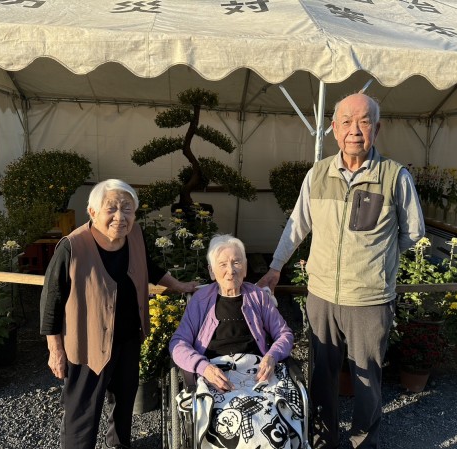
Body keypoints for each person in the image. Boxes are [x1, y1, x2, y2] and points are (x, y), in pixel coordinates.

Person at [258, 93, 425, 449]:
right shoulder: (318, 174)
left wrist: (378, 259)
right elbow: (297, 225)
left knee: (367, 381)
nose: (355, 130)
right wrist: (275, 267)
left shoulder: (394, 177)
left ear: (377, 128)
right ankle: (324, 441)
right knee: (321, 376)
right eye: (346, 122)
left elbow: (413, 232)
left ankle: (364, 442)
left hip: (370, 300)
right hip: (321, 296)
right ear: (333, 129)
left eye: (364, 122)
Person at [39, 179, 198, 449]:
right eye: (111, 208)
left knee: (125, 400)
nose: (120, 217)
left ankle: (118, 445)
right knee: (82, 410)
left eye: (127, 209)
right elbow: (51, 300)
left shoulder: (135, 235)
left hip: (128, 337)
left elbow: (148, 266)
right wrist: (55, 350)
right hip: (88, 344)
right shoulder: (72, 246)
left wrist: (179, 286)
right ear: (93, 212)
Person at [169, 234, 301, 448]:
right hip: (216, 375)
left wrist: (272, 356)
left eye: (237, 262)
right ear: (212, 271)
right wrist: (203, 367)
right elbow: (178, 344)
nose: (231, 270)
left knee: (274, 420)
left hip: (256, 373)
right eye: (222, 264)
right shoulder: (200, 301)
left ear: (245, 268)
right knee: (228, 425)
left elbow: (284, 334)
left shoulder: (258, 297)